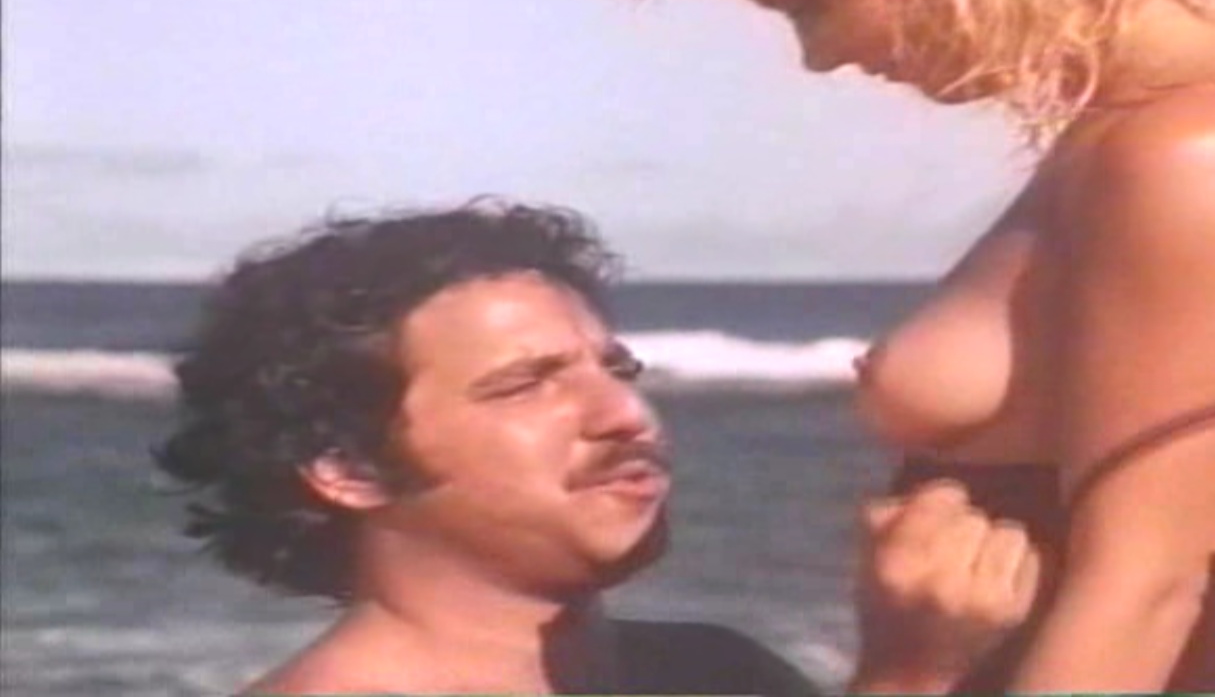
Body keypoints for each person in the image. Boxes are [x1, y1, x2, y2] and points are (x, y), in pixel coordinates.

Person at [639, 0, 1215, 692]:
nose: (818, 57)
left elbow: (1144, 594)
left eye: (811, 5)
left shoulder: (1193, 151)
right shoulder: (1154, 130)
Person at [154, 201, 1037, 695]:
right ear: (348, 468)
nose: (625, 415)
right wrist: (909, 677)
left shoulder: (712, 673)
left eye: (618, 370)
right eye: (525, 385)